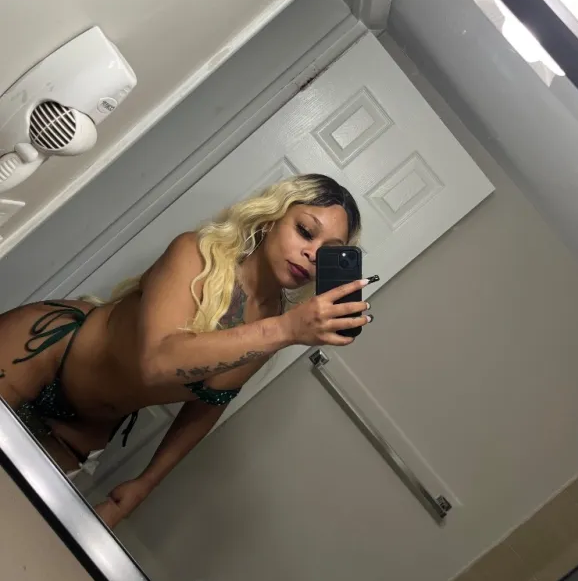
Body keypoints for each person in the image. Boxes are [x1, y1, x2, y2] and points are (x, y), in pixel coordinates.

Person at [0, 174, 375, 528]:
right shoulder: (195, 254)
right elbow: (156, 363)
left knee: (21, 527)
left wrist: (145, 484)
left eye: (328, 252)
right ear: (270, 219)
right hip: (42, 356)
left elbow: (208, 404)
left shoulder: (276, 322)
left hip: (86, 430)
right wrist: (286, 330)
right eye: (305, 232)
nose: (312, 254)